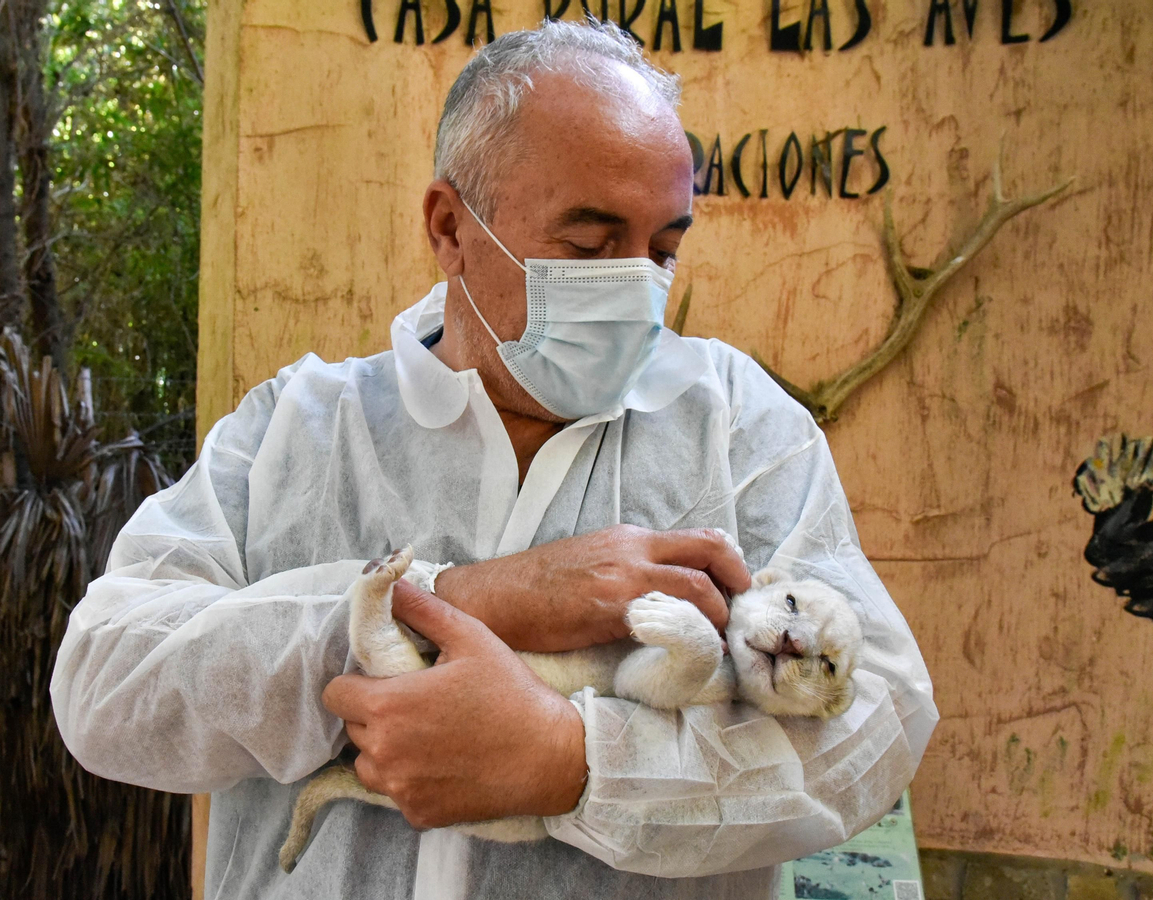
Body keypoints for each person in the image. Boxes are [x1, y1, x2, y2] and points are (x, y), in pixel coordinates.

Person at [50, 18, 936, 900]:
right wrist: (470, 601)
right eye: (588, 247)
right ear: (450, 227)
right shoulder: (300, 426)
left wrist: (570, 763)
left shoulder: (740, 427)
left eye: (662, 251)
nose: (636, 286)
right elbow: (105, 684)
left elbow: (878, 724)